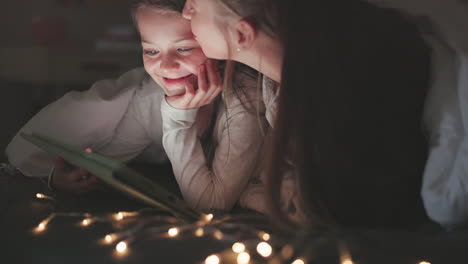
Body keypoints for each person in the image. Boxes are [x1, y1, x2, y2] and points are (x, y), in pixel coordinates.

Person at [182, 0, 432, 229]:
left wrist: (245, 193)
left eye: (196, 5)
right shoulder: (277, 82)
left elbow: (322, 210)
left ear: (242, 34)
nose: (184, 11)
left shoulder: (332, 114)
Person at [6, 0, 268, 212]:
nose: (165, 66)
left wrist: (178, 118)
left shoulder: (244, 95)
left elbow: (211, 203)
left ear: (217, 44)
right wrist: (54, 176)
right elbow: (24, 145)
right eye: (151, 51)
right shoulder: (134, 102)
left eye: (185, 48)